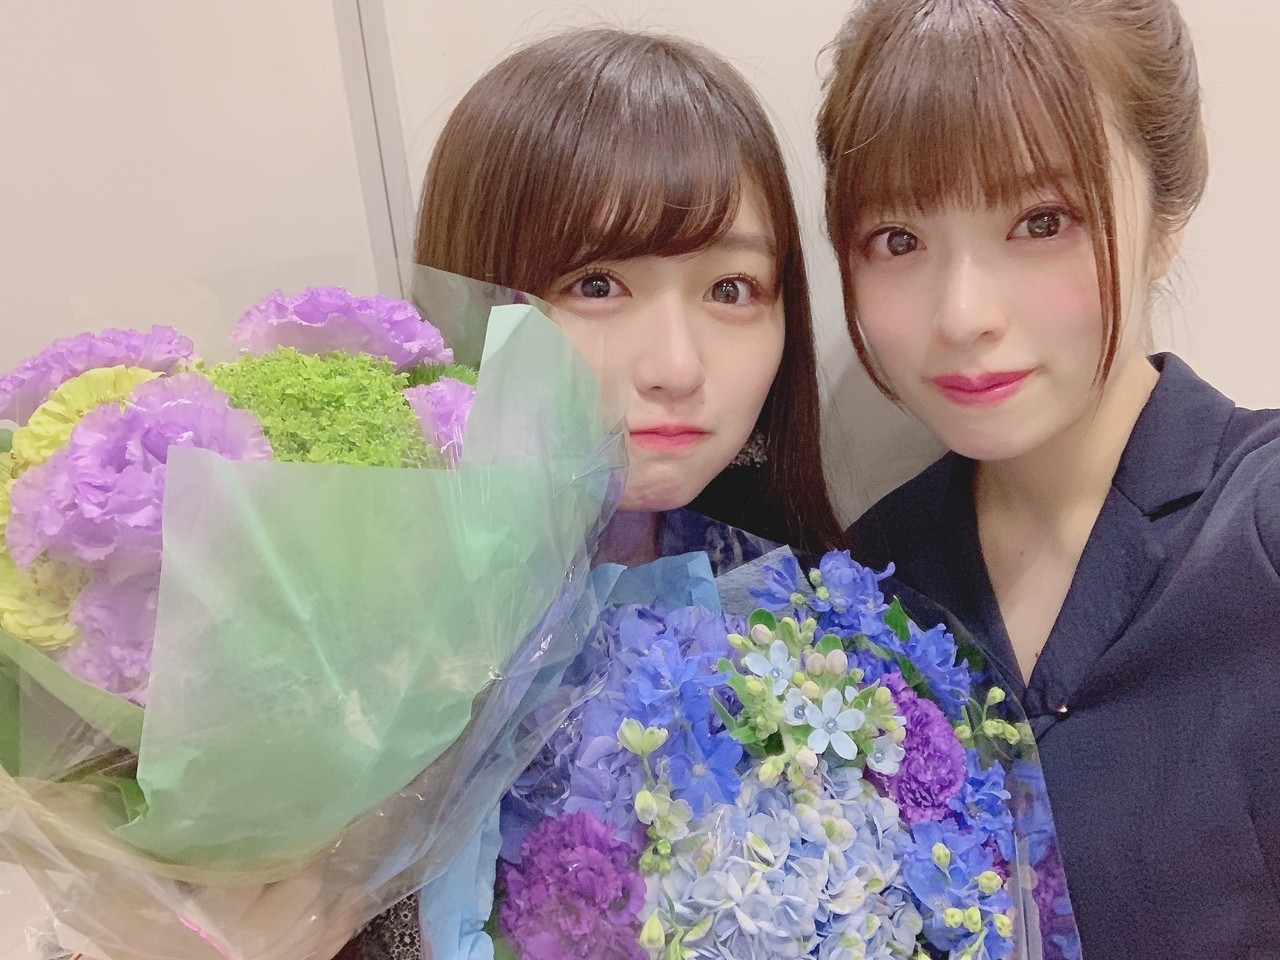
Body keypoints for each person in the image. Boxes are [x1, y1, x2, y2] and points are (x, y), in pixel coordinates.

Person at [346, 27, 844, 960]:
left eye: (731, 288)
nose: (677, 367)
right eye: (600, 283)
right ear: (469, 299)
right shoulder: (349, 647)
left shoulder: (820, 637)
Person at [817, 1, 1280, 957]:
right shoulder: (857, 596)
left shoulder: (1260, 529)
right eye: (898, 238)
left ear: (1166, 217)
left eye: (1042, 220)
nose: (962, 314)